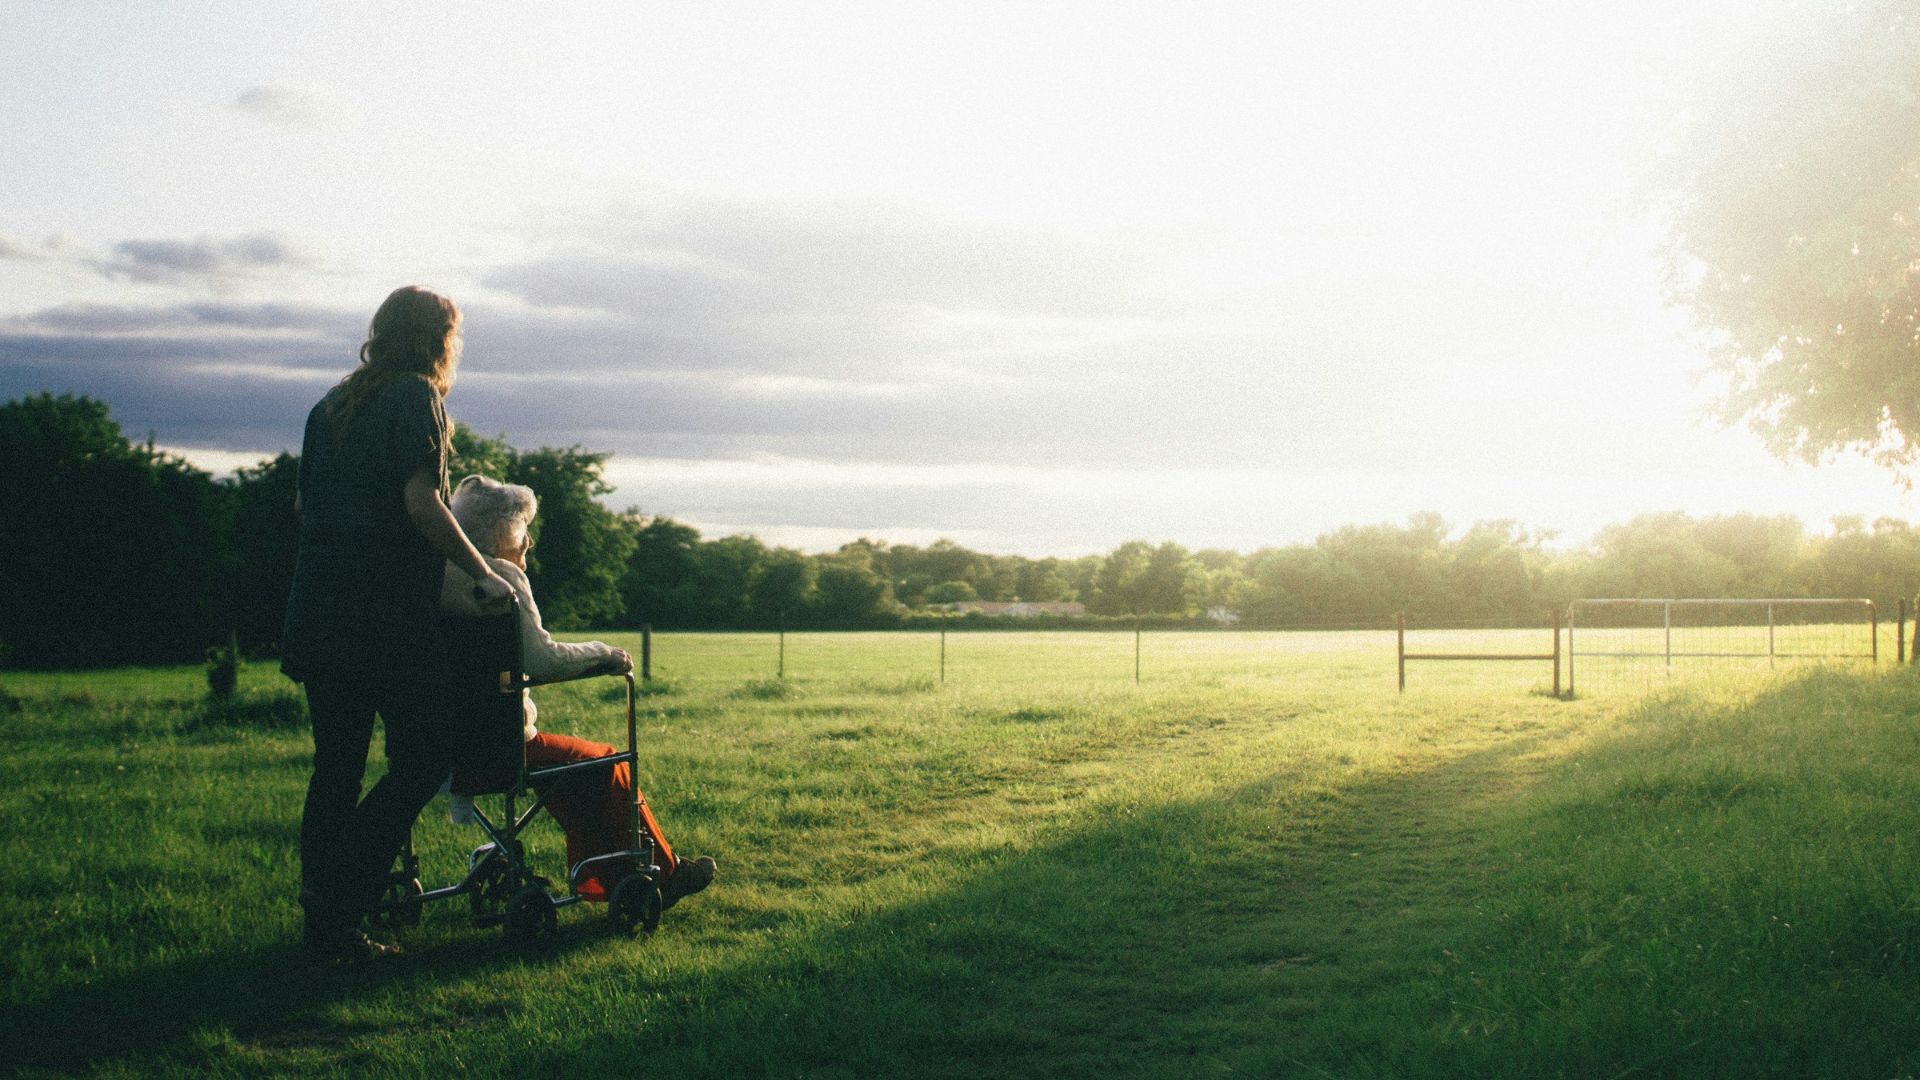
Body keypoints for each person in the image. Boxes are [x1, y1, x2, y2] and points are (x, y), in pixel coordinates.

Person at [281, 286, 515, 961]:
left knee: (337, 767)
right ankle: (340, 894)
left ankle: (325, 923)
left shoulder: (330, 406)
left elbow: (306, 504)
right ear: (440, 339)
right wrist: (482, 571)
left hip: (317, 608)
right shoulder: (417, 398)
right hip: (380, 617)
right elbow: (423, 503)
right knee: (425, 756)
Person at [439, 474, 716, 909]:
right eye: (523, 529)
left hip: (442, 747)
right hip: (500, 747)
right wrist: (603, 653)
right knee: (604, 761)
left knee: (574, 769)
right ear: (500, 532)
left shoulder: (439, 577)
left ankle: (601, 879)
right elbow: (543, 660)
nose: (529, 541)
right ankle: (662, 872)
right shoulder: (500, 578)